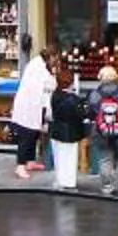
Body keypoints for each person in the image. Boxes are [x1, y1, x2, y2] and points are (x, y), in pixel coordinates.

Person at [86, 65, 118, 192]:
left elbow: (91, 114)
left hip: (102, 132)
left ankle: (107, 186)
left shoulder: (94, 94)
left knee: (105, 159)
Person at [7, 45, 53, 179]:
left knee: (33, 134)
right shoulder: (37, 66)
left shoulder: (40, 65)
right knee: (26, 136)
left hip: (34, 106)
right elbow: (44, 83)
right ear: (50, 57)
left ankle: (30, 161)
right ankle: (20, 166)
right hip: (28, 106)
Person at [45, 60, 90, 192]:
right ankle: (69, 183)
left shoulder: (54, 96)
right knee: (70, 158)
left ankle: (60, 181)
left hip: (56, 130)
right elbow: (81, 115)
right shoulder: (73, 99)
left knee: (59, 158)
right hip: (70, 132)